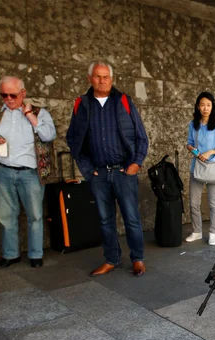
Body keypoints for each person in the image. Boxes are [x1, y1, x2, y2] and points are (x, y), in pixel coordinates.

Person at [66, 61, 148, 277]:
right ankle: (111, 259)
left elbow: (141, 137)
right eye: (97, 76)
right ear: (89, 78)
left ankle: (137, 259)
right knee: (105, 220)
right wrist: (86, 168)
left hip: (124, 172)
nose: (102, 81)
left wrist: (135, 164)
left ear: (111, 80)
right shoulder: (82, 105)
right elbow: (73, 139)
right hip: (99, 174)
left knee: (131, 217)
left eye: (106, 77)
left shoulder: (123, 102)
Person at [0, 76, 57, 269]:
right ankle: (10, 255)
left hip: (30, 173)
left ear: (23, 93)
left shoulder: (39, 112)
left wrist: (31, 116)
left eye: (13, 94)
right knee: (6, 216)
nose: (9, 99)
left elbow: (49, 135)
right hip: (3, 171)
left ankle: (36, 254)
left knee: (35, 215)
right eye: (4, 95)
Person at [185, 92, 215, 245]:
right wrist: (193, 150)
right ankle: (196, 231)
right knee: (194, 202)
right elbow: (189, 143)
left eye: (208, 105)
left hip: (213, 167)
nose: (205, 108)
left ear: (212, 107)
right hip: (197, 167)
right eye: (202, 105)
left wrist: (211, 152)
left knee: (213, 202)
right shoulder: (193, 124)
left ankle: (213, 233)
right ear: (198, 106)